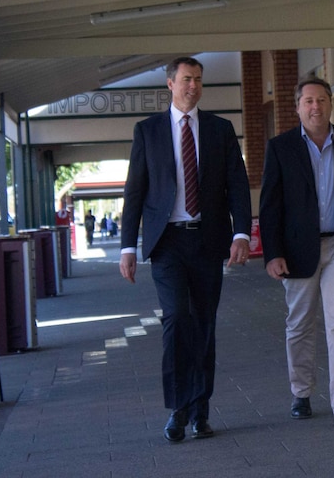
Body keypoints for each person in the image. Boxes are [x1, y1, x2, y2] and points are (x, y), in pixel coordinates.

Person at [119, 56, 252, 444]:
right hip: (168, 242)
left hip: (208, 239)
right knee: (177, 318)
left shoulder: (220, 130)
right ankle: (178, 409)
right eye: (186, 79)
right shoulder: (148, 131)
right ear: (170, 84)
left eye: (198, 80)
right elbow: (135, 191)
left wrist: (241, 233)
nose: (192, 86)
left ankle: (201, 411)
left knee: (204, 324)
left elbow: (237, 186)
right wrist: (127, 246)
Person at [259, 76, 334, 430]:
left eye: (321, 100)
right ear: (298, 107)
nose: (315, 107)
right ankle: (301, 392)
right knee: (299, 324)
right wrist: (273, 253)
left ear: (331, 104)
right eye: (308, 101)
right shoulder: (280, 147)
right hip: (298, 250)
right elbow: (270, 207)